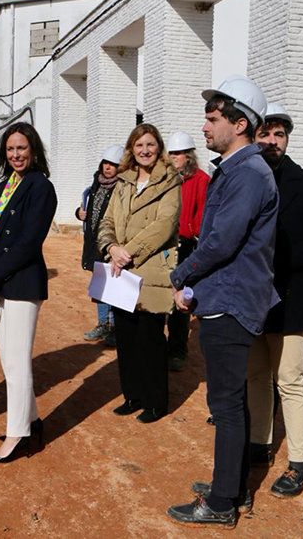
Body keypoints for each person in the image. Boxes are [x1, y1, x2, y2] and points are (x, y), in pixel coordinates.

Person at [166, 75, 278, 528]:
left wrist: (180, 275)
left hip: (231, 303)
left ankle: (221, 503)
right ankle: (231, 486)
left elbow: (219, 243)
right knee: (231, 402)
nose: (206, 127)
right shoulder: (236, 170)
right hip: (226, 297)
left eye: (213, 119)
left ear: (240, 122)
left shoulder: (248, 174)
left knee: (226, 406)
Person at [247, 103, 303, 497]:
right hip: (251, 298)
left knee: (290, 380)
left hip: (291, 298)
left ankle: (298, 464)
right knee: (255, 376)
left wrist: (280, 258)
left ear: (286, 139)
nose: (271, 141)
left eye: (278, 134)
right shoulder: (246, 180)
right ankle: (259, 445)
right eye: (264, 134)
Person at [0, 122, 57, 463]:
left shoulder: (41, 187)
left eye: (21, 148)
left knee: (18, 361)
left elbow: (27, 244)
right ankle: (32, 421)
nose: (16, 154)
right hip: (1, 283)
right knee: (11, 362)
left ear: (34, 150)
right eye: (10, 149)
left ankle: (17, 435)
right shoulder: (8, 183)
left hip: (23, 284)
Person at [97, 124, 182, 424]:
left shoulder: (171, 181)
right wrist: (110, 248)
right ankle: (132, 395)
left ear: (159, 147)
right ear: (131, 149)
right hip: (120, 269)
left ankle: (156, 401)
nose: (144, 150)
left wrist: (127, 251)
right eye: (138, 145)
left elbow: (164, 225)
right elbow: (107, 220)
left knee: (150, 339)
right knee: (127, 337)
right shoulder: (123, 181)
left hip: (149, 269)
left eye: (150, 144)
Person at [164, 131, 209, 372]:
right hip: (162, 245)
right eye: (171, 152)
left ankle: (177, 351)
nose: (174, 157)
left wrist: (196, 236)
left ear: (188, 155)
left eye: (178, 153)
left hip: (185, 244)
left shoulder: (201, 179)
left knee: (179, 301)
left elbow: (203, 213)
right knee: (157, 297)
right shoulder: (164, 178)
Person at [76, 145, 125, 347]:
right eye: (106, 163)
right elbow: (87, 209)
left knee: (114, 286)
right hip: (94, 244)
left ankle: (114, 327)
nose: (108, 168)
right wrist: (79, 213)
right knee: (100, 286)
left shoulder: (121, 188)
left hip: (111, 244)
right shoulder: (95, 186)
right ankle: (102, 324)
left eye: (113, 165)